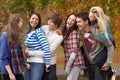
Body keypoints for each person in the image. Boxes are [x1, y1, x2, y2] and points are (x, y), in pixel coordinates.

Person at [76, 10, 115, 80]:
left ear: (86, 22)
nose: (77, 24)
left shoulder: (98, 32)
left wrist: (107, 63)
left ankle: (111, 73)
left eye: (79, 21)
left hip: (99, 66)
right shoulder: (82, 31)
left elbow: (110, 46)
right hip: (90, 65)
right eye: (76, 22)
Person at [0, 13, 30, 80]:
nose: (22, 23)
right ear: (16, 23)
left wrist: (24, 64)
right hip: (8, 72)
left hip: (17, 69)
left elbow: (18, 55)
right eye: (21, 22)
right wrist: (10, 74)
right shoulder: (5, 36)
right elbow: (3, 57)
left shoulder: (16, 36)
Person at [24, 13, 50, 80]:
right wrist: (26, 51)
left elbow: (46, 47)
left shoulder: (38, 32)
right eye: (33, 18)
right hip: (28, 62)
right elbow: (28, 47)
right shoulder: (28, 33)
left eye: (37, 19)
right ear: (29, 19)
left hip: (38, 63)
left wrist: (47, 64)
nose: (34, 20)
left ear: (38, 22)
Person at [61, 13, 85, 80]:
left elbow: (74, 51)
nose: (70, 21)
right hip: (71, 62)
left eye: (73, 20)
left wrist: (68, 65)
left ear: (75, 23)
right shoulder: (66, 32)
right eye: (69, 18)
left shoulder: (73, 32)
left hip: (75, 62)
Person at [41, 12, 63, 80]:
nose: (48, 23)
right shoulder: (44, 28)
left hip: (50, 64)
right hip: (40, 62)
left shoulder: (58, 36)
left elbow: (48, 51)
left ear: (56, 24)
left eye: (51, 22)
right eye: (48, 21)